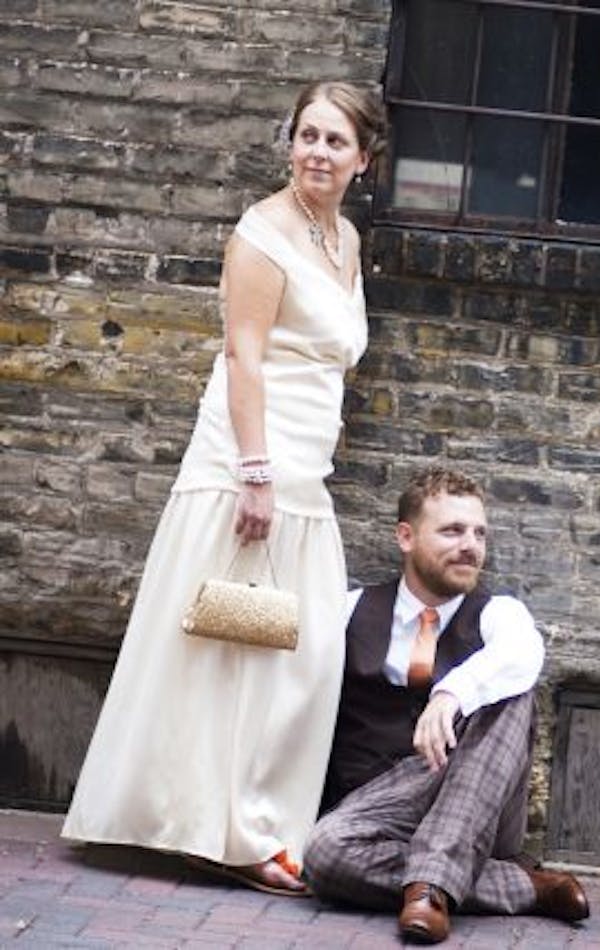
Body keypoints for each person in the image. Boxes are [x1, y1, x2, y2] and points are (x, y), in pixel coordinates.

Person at [62, 81, 385, 895]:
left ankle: (248, 818)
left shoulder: (343, 238)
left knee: (294, 652)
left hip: (308, 464)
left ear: (364, 159)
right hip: (251, 457)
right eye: (306, 134)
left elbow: (327, 357)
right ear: (290, 143)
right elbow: (245, 356)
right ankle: (232, 834)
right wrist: (254, 472)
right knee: (237, 643)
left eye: (334, 141)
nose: (316, 151)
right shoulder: (262, 234)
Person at [304, 467, 589, 944]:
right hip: (377, 808)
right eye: (452, 530)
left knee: (513, 689)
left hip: (479, 797)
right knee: (325, 853)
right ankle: (526, 887)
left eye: (479, 533)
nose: (470, 545)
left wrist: (451, 693)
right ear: (406, 537)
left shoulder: (500, 615)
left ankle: (431, 890)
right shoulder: (349, 609)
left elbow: (523, 654)